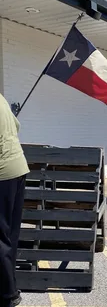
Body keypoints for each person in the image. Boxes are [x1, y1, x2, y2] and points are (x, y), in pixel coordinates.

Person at [0, 93, 29, 307]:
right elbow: (16, 127)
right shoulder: (1, 98)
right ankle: (11, 289)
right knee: (10, 234)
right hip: (18, 167)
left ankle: (7, 295)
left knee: (1, 237)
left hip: (3, 173)